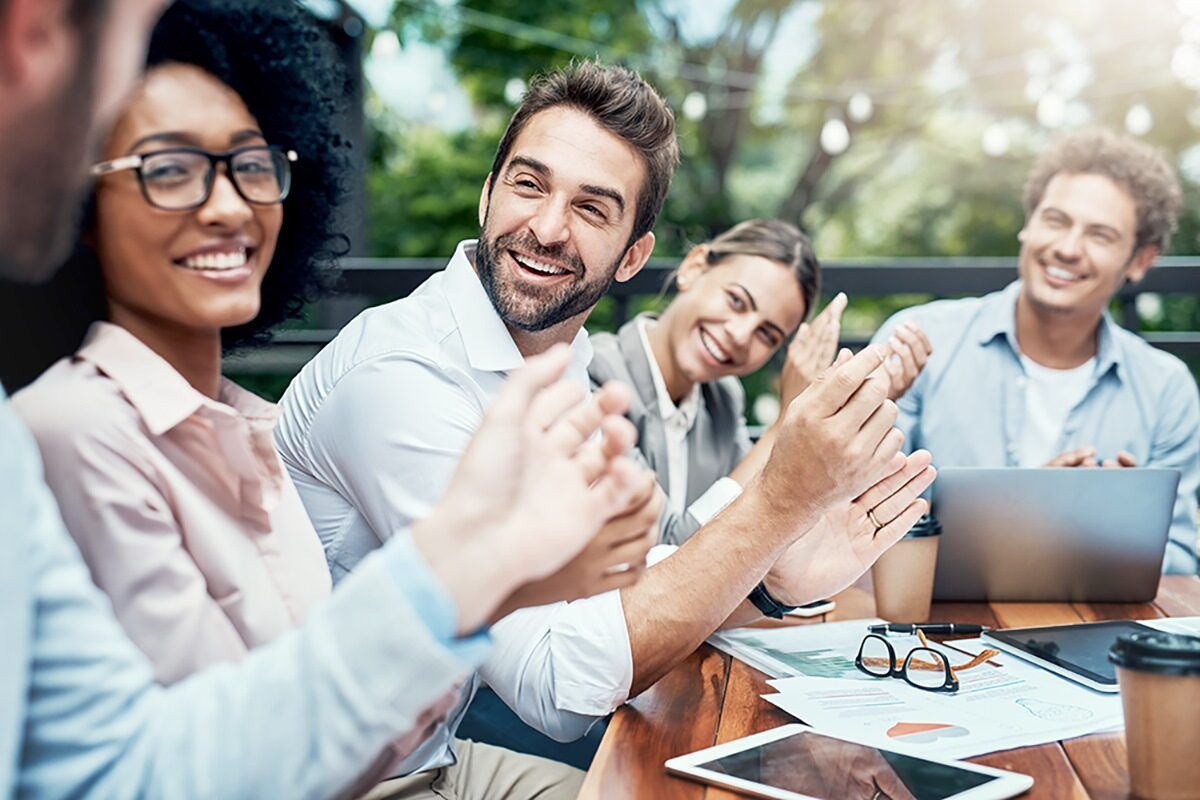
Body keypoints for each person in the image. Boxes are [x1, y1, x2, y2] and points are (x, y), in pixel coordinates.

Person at [0, 1, 652, 796]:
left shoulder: (247, 424)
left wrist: (485, 576)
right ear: (84, 201)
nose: (228, 206)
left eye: (253, 167)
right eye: (168, 170)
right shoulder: (64, 433)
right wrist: (469, 573)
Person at [276, 59, 937, 798]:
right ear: (488, 193)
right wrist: (777, 504)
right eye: (530, 185)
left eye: (592, 209)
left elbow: (637, 573)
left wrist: (775, 584)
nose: (548, 228)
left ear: (633, 256)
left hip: (435, 753)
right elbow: (556, 687)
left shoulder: (563, 359)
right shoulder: (402, 376)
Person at [873, 128, 1199, 574]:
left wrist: (1116, 528)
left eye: (1100, 235)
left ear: (1141, 260)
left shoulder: (1166, 388)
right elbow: (860, 522)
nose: (1066, 249)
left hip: (1091, 631)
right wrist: (1035, 519)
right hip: (933, 634)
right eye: (1056, 220)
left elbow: (1182, 561)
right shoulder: (920, 341)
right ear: (1029, 223)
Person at [589, 218, 849, 544]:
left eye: (766, 335)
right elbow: (670, 554)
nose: (740, 336)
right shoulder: (595, 376)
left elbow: (753, 523)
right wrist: (785, 424)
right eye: (737, 301)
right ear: (694, 268)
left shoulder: (722, 399)